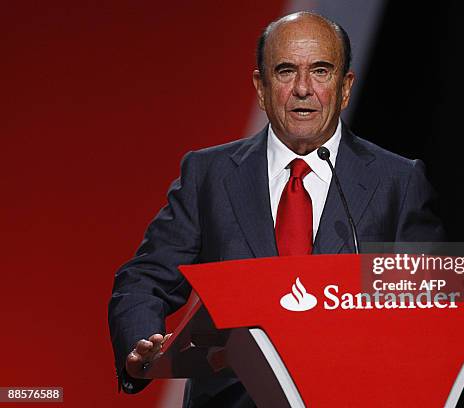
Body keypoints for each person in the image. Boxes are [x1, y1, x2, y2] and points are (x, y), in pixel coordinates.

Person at [108, 11, 444, 408]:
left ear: (346, 86)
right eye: (286, 71)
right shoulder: (209, 175)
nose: (303, 88)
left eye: (321, 71)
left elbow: (428, 303)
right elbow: (144, 279)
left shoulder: (398, 181)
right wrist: (142, 342)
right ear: (262, 88)